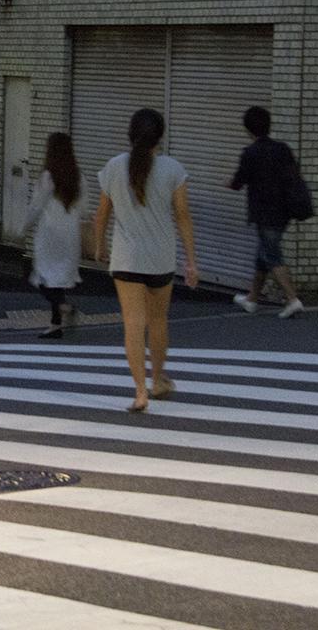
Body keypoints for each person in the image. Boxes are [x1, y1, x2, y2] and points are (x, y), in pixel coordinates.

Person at [92, 108, 199, 413]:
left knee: (133, 325)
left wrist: (100, 246)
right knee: (158, 321)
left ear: (130, 133)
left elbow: (101, 214)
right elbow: (182, 216)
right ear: (160, 136)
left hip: (125, 259)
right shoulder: (173, 169)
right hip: (160, 259)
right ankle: (158, 380)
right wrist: (191, 261)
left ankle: (140, 392)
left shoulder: (114, 167)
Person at [229, 105, 304, 319]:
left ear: (248, 129)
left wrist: (228, 183)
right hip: (285, 210)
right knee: (263, 255)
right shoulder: (283, 149)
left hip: (264, 212)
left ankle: (292, 299)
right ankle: (252, 299)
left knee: (271, 254)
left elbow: (238, 181)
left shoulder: (250, 153)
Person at [24, 132, 85, 339]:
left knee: (42, 277)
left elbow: (36, 206)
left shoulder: (48, 177)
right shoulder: (78, 177)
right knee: (56, 280)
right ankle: (55, 324)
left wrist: (24, 226)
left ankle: (63, 307)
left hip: (49, 234)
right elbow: (84, 207)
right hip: (70, 235)